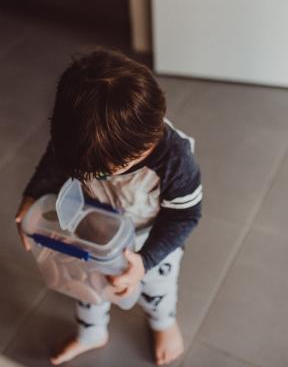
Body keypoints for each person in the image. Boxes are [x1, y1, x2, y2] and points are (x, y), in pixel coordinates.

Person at [15, 48, 202, 365]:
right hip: (95, 225)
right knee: (87, 282)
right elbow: (54, 164)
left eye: (97, 171)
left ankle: (163, 322)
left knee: (156, 285)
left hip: (148, 238)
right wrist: (33, 195)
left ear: (139, 151)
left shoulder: (175, 159)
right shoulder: (78, 141)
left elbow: (185, 214)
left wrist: (144, 261)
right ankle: (91, 332)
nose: (82, 170)